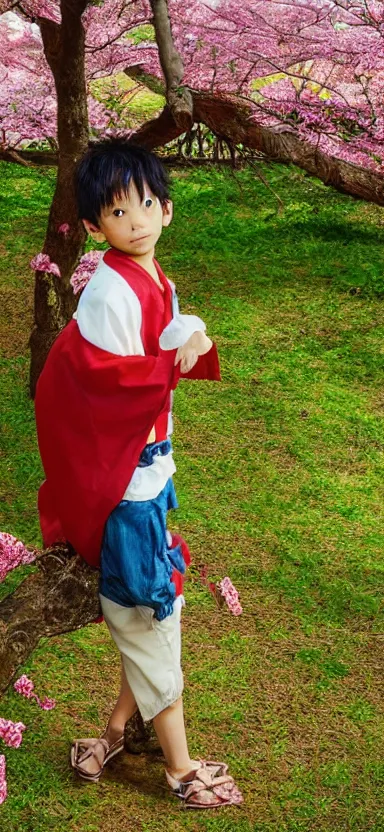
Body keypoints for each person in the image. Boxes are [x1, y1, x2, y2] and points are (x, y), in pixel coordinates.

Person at [34, 140, 243, 809]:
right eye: (119, 210)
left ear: (168, 209)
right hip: (125, 486)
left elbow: (167, 335)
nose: (137, 219)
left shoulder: (153, 279)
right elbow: (106, 384)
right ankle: (180, 770)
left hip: (149, 474)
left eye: (148, 204)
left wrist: (192, 332)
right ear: (96, 225)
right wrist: (172, 360)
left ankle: (115, 733)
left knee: (162, 602)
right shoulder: (106, 295)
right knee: (150, 614)